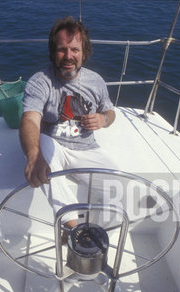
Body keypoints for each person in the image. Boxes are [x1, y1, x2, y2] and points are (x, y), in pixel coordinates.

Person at [19, 16, 118, 232]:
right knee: (44, 150)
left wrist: (104, 119)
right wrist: (33, 156)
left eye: (74, 49)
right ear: (53, 52)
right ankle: (75, 230)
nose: (68, 56)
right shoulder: (40, 81)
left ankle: (99, 235)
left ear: (84, 52)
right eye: (62, 49)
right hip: (52, 146)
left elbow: (110, 112)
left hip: (87, 149)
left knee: (119, 189)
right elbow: (29, 119)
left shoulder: (96, 81)